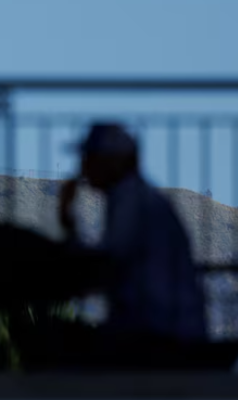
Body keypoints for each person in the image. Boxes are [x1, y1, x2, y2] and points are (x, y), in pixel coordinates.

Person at [12, 122, 208, 370]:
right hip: (162, 328)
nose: (83, 167)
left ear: (115, 162)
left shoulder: (131, 200)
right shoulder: (132, 198)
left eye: (91, 158)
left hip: (160, 334)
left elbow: (106, 264)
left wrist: (67, 221)